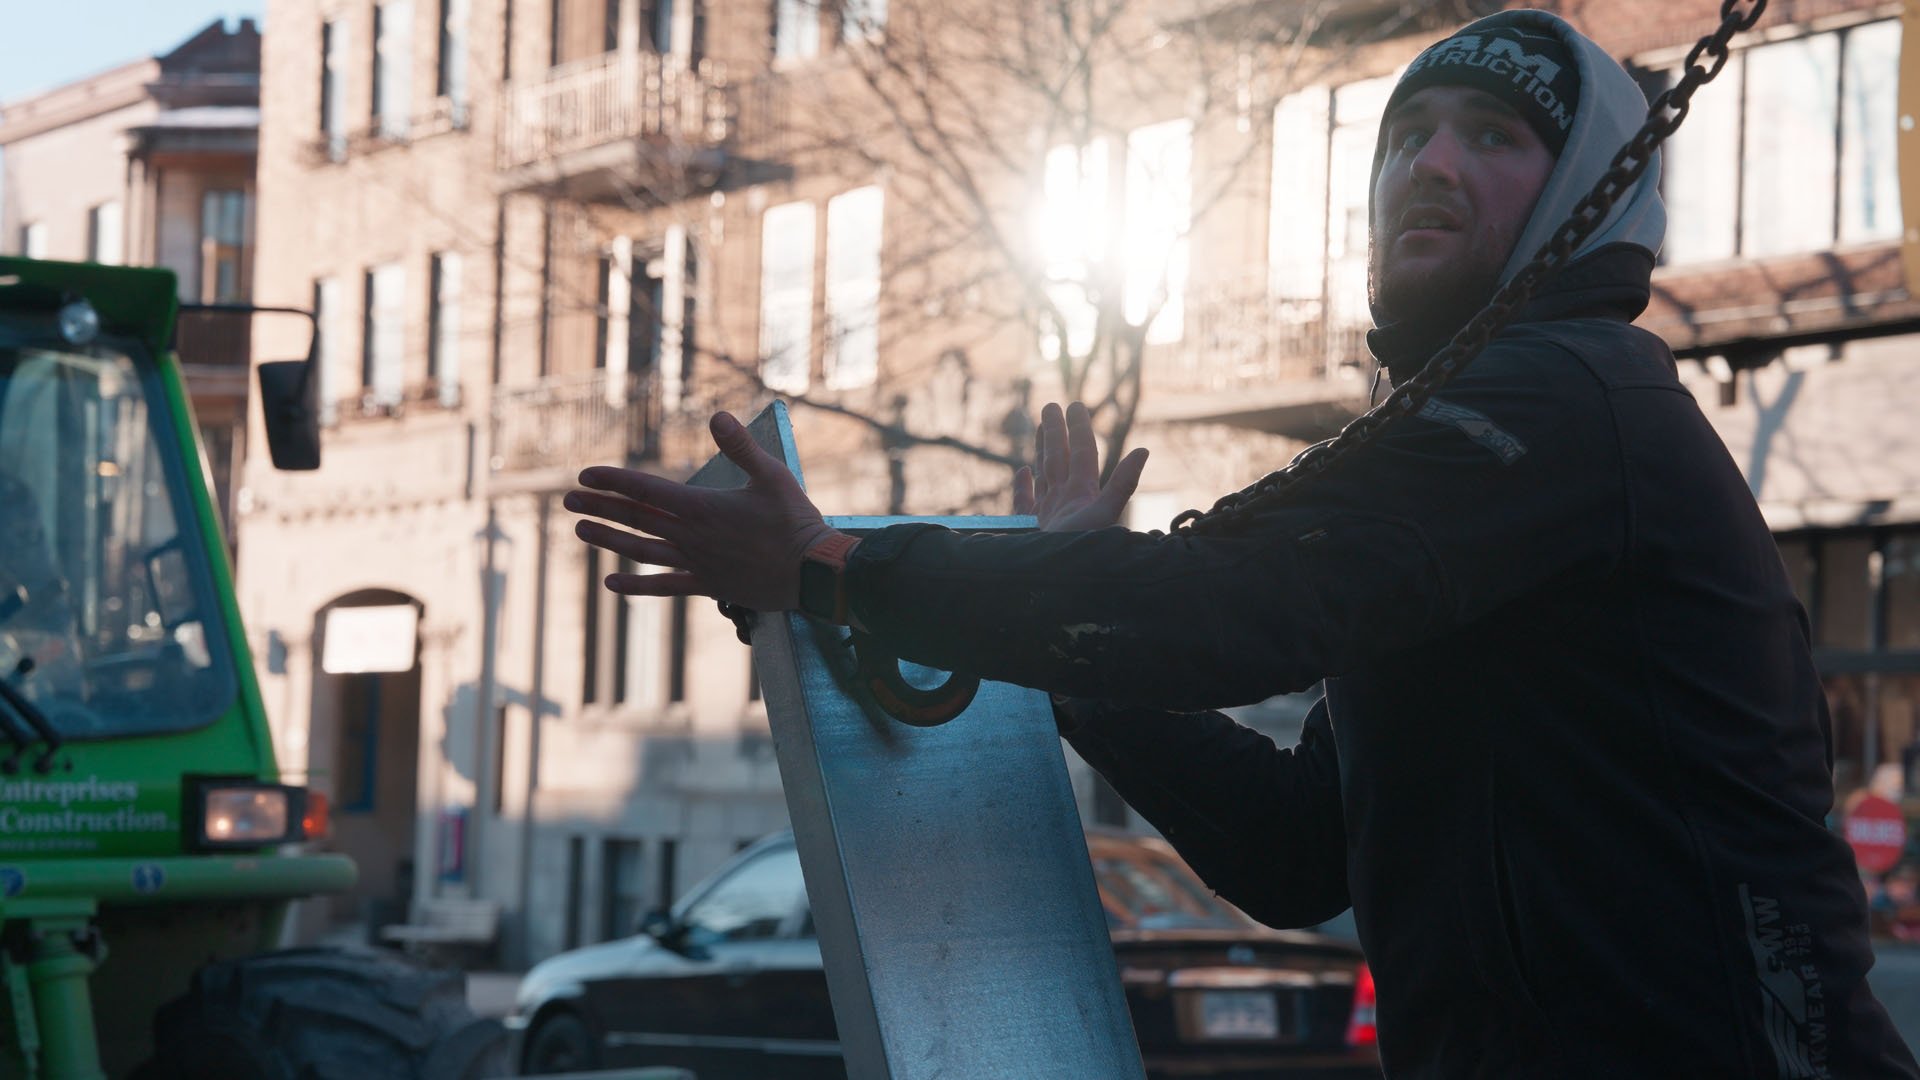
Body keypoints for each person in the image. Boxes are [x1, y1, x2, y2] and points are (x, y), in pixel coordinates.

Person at [566, 10, 1920, 1077]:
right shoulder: (1455, 461)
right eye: (1411, 133)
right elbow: (1295, 852)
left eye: (1496, 137)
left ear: (1590, 196)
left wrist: (839, 571)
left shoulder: (1573, 400)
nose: (1432, 164)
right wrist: (1078, 653)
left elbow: (1231, 612)